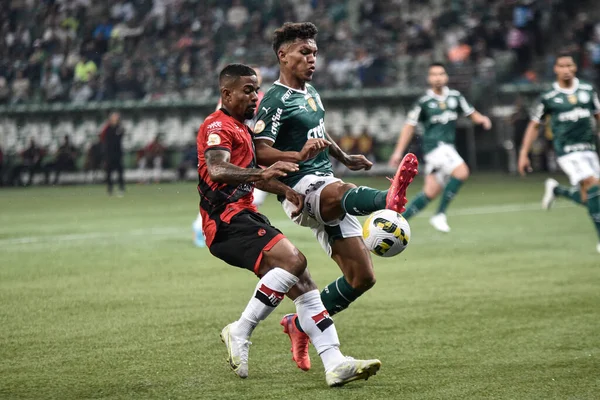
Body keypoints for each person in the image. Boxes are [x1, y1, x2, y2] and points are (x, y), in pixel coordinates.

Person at [200, 63, 381, 386]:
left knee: (305, 285)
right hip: (225, 220)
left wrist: (284, 189)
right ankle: (239, 330)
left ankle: (335, 363)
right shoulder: (217, 125)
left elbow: (257, 175)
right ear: (226, 93)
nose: (255, 96)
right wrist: (261, 173)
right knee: (294, 260)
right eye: (247, 90)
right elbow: (217, 169)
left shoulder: (242, 128)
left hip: (244, 216)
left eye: (256, 89)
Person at [253, 22, 418, 371]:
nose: (312, 58)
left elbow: (318, 132)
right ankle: (387, 200)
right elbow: (259, 152)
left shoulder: (311, 91)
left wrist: (344, 157)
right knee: (339, 192)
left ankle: (299, 324)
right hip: (299, 189)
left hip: (326, 183)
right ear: (283, 56)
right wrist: (297, 156)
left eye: (314, 52)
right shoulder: (275, 99)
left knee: (362, 278)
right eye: (304, 52)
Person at [389, 62, 492, 233]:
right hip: (435, 148)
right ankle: (440, 214)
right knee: (462, 171)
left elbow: (471, 113)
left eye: (441, 74)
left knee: (430, 192)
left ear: (446, 77)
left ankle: (394, 223)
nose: (438, 77)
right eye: (434, 74)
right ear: (429, 79)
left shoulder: (455, 97)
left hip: (447, 148)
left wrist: (482, 119)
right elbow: (409, 126)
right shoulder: (424, 102)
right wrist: (398, 152)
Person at [518, 52, 600, 254]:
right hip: (567, 152)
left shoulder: (588, 91)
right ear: (555, 69)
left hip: (589, 149)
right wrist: (523, 153)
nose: (565, 70)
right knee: (594, 185)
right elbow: (534, 126)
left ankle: (557, 190)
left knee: (588, 199)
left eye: (569, 65)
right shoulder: (549, 97)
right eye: (561, 66)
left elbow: (598, 117)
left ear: (575, 67)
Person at [193, 66, 267, 248]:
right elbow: (223, 121)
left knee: (254, 194)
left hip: (247, 149)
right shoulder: (228, 104)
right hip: (233, 152)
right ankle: (201, 227)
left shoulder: (260, 98)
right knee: (234, 193)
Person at [100, 111, 126, 196]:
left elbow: (121, 135)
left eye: (116, 117)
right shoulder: (107, 128)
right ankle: (110, 189)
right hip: (109, 153)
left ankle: (121, 189)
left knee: (120, 172)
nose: (115, 119)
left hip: (118, 153)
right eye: (114, 117)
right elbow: (102, 137)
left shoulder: (119, 128)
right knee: (108, 172)